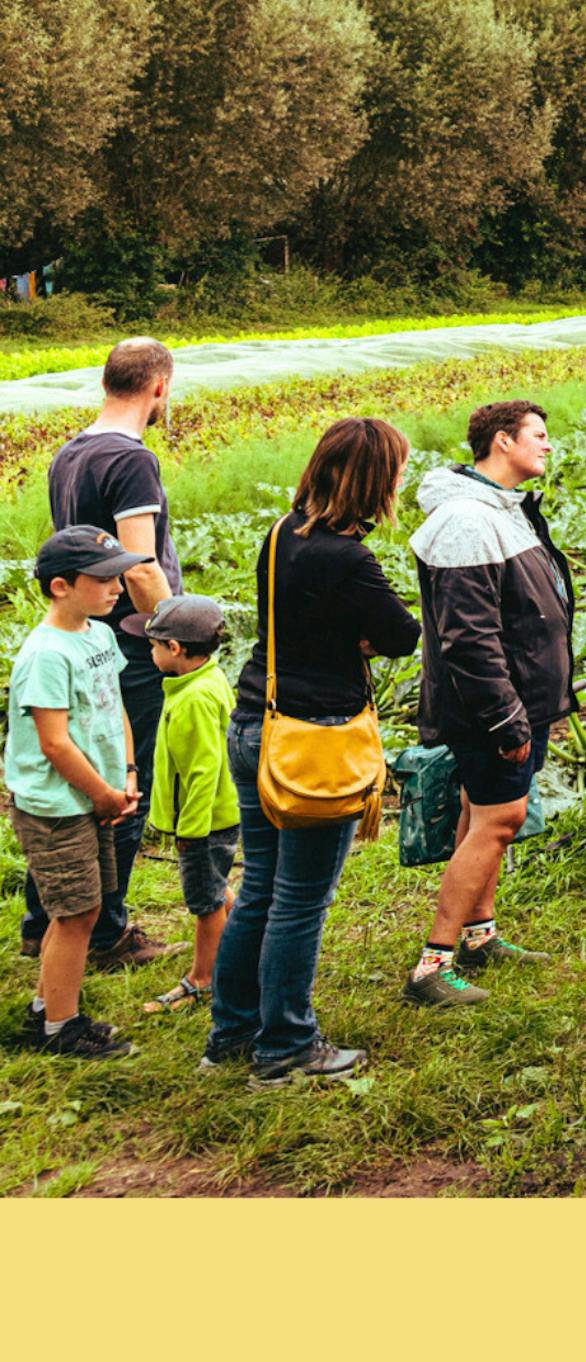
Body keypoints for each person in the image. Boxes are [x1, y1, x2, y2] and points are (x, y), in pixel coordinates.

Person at [211, 418, 420, 1087]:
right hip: (315, 736)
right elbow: (401, 635)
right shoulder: (348, 558)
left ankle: (232, 1031)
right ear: (374, 480)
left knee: (259, 889)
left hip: (257, 723)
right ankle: (286, 1046)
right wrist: (358, 635)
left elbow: (304, 619)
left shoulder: (281, 533)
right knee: (301, 898)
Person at [405, 400, 575, 1006]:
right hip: (493, 710)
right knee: (498, 821)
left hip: (516, 703)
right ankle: (433, 965)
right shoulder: (466, 521)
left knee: (483, 815)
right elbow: (468, 637)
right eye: (538, 434)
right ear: (502, 442)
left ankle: (479, 935)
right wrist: (506, 718)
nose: (547, 446)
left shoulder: (502, 509)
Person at [23, 338, 183, 970]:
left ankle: (46, 921)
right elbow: (140, 568)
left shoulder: (71, 452)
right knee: (121, 780)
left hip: (85, 636)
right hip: (127, 645)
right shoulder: (132, 460)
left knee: (76, 782)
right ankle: (108, 929)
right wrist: (174, 630)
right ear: (159, 388)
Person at [10, 527, 151, 1057]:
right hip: (60, 806)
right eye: (103, 579)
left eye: (118, 575)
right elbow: (54, 743)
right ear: (60, 587)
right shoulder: (46, 653)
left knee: (83, 912)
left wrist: (129, 774)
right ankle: (61, 1031)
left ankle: (47, 1009)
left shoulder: (99, 635)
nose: (117, 587)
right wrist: (102, 794)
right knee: (75, 917)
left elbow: (114, 708)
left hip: (97, 796)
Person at [120, 595, 239, 1014]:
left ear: (174, 649)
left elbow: (203, 771)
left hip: (203, 824)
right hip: (215, 818)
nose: (148, 652)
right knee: (216, 885)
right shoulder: (205, 680)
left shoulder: (192, 699)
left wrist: (190, 830)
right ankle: (247, 938)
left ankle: (202, 980)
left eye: (152, 644)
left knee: (205, 905)